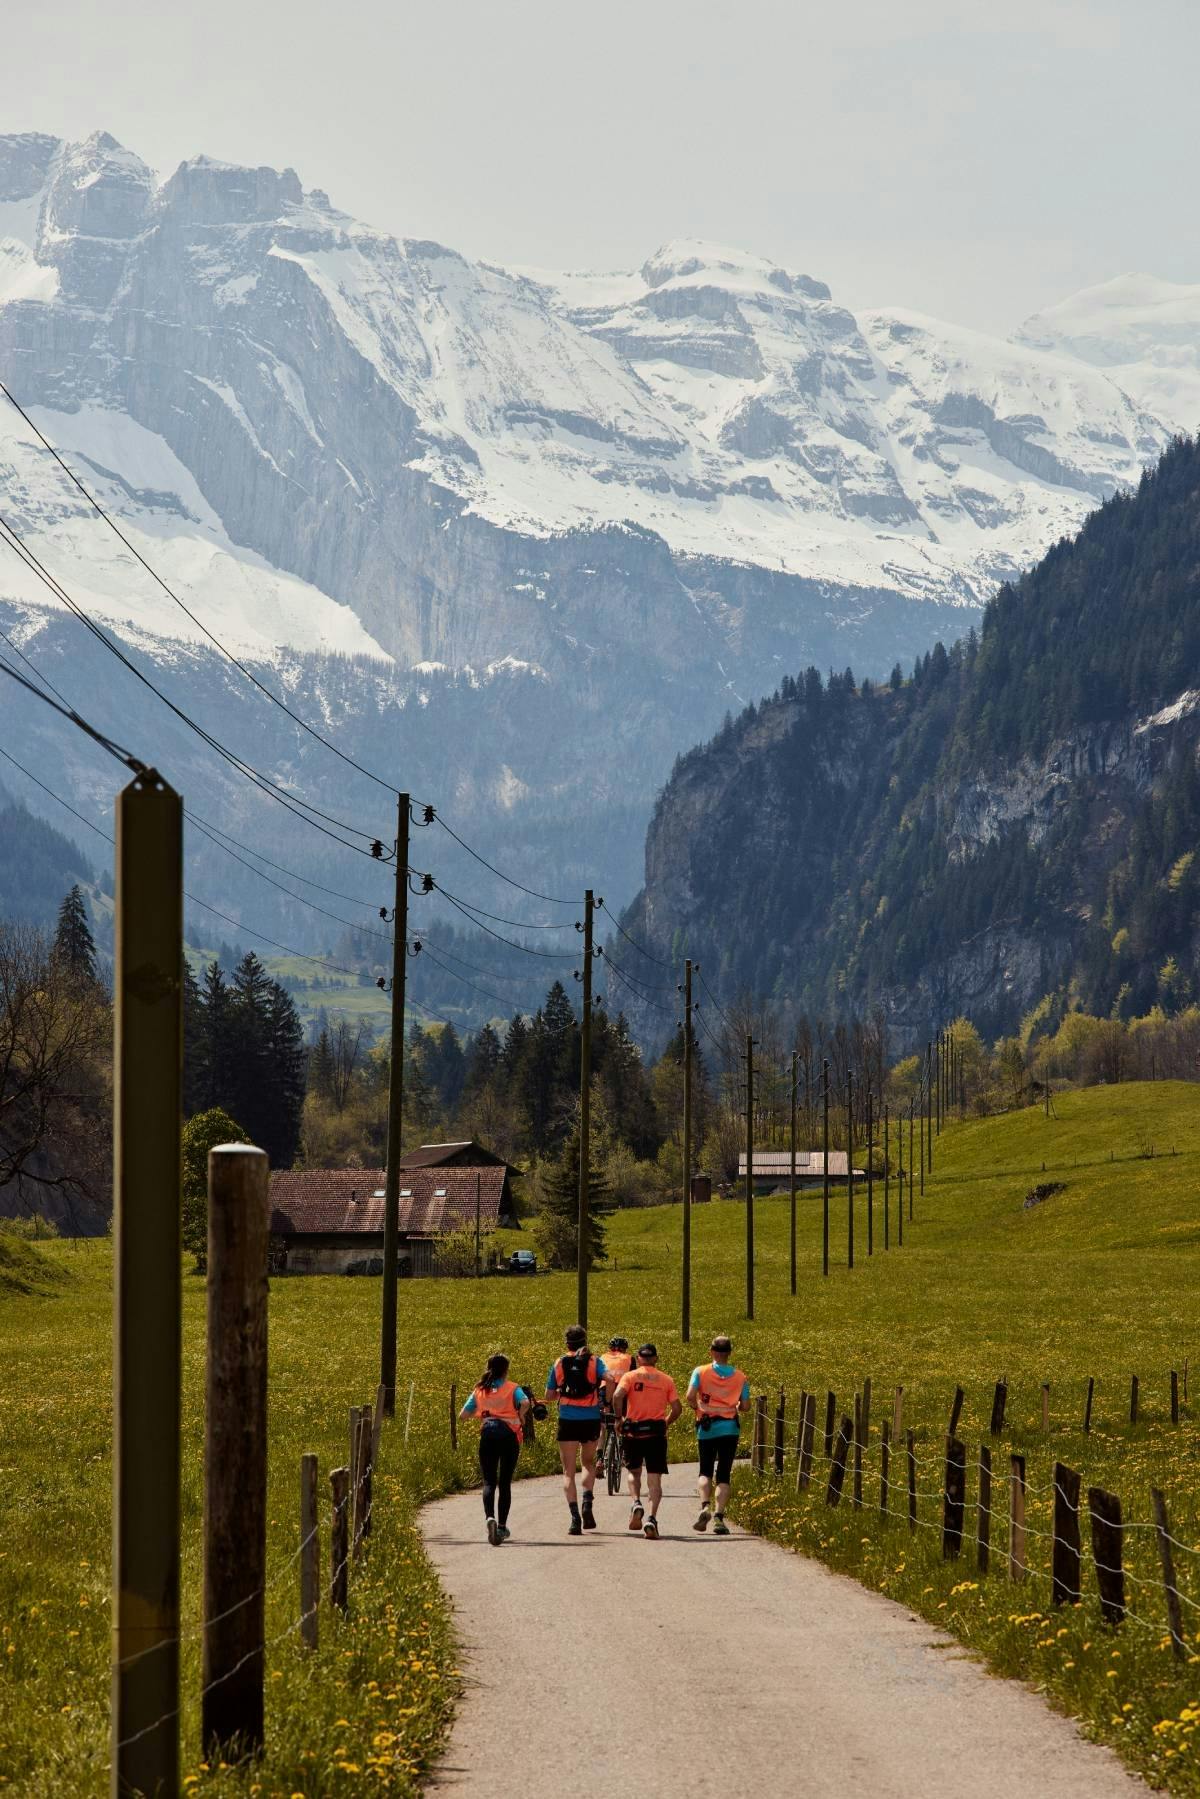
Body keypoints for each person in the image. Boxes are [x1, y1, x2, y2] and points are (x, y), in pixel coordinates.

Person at [460, 1353, 532, 1546]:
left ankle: (489, 1517)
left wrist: (483, 1411)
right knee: (505, 1482)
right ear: (506, 1370)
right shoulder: (512, 1388)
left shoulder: (479, 1389)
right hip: (509, 1437)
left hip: (488, 1436)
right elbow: (525, 1402)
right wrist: (520, 1414)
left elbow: (463, 1415)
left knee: (489, 1482)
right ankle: (501, 1526)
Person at [613, 1343, 682, 1539]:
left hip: (634, 1431)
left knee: (634, 1472)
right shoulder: (666, 1380)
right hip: (656, 1433)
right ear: (656, 1358)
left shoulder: (630, 1376)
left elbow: (618, 1396)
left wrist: (619, 1418)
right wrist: (666, 1422)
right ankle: (652, 1518)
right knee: (655, 1479)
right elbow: (677, 1409)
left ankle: (636, 1503)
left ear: (639, 1358)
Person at [545, 1325, 609, 1535]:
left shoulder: (559, 1363)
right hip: (590, 1418)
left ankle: (574, 1518)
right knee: (588, 1463)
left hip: (567, 1419)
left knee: (568, 1472)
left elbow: (549, 1395)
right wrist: (605, 1401)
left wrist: (563, 1393)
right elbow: (611, 1378)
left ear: (567, 1343)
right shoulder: (594, 1361)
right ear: (585, 1341)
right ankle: (587, 1501)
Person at [685, 1334, 751, 1535]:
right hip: (730, 1428)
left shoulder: (701, 1371)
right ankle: (719, 1517)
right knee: (723, 1474)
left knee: (705, 1471)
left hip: (706, 1427)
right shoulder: (741, 1377)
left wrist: (699, 1410)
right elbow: (746, 1406)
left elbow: (689, 1396)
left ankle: (705, 1506)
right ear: (729, 1353)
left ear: (712, 1351)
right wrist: (736, 1404)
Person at [596, 1335, 633, 1469]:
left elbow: (596, 1378)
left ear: (610, 1348)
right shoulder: (629, 1358)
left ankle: (599, 1459)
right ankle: (623, 1451)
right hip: (622, 1390)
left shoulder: (602, 1357)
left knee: (602, 1425)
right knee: (622, 1417)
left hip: (604, 1389)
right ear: (624, 1349)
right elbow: (633, 1378)